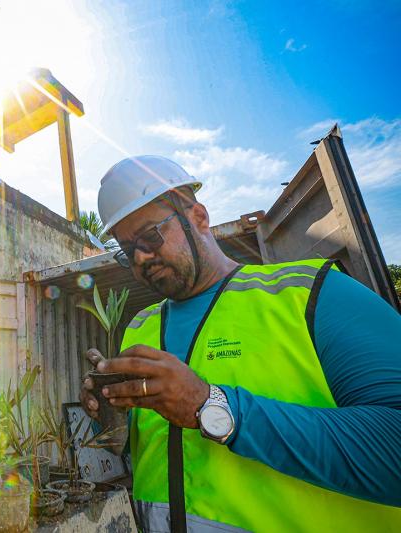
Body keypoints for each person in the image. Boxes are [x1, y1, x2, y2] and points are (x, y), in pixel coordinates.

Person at [79, 155, 401, 532]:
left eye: (150, 236)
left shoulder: (311, 294)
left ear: (199, 217)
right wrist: (113, 417)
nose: (141, 258)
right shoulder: (139, 328)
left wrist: (211, 407)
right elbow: (153, 453)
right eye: (127, 250)